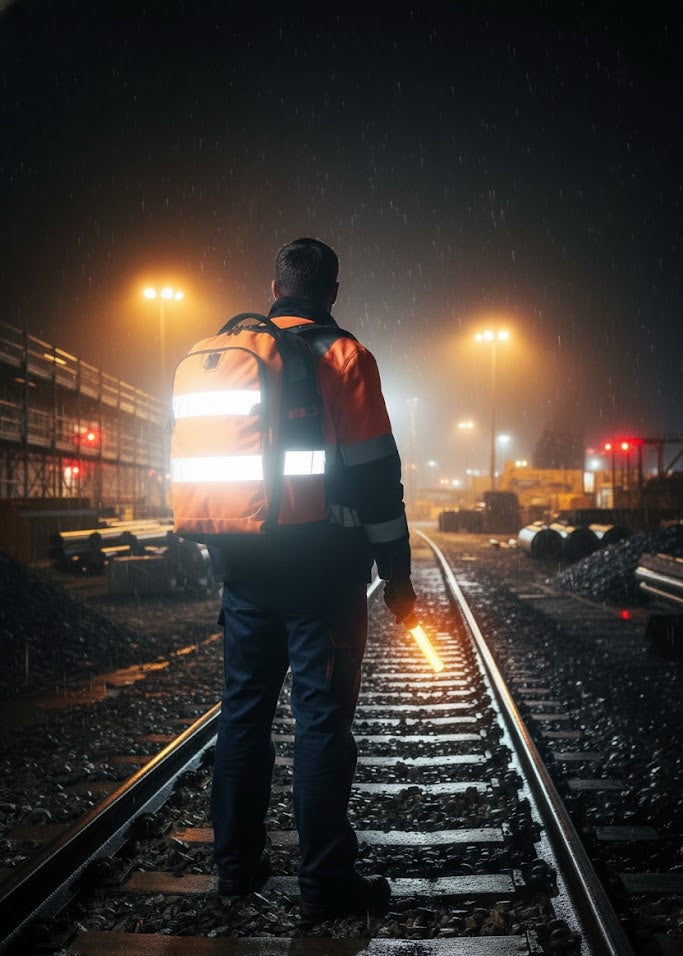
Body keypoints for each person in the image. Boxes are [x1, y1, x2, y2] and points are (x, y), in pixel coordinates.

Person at [209, 237, 416, 925]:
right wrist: (396, 576)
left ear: (272, 291)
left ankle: (235, 870)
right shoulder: (346, 358)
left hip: (242, 567)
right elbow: (378, 481)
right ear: (331, 294)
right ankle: (325, 884)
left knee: (243, 715)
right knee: (321, 723)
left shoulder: (225, 355)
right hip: (324, 571)